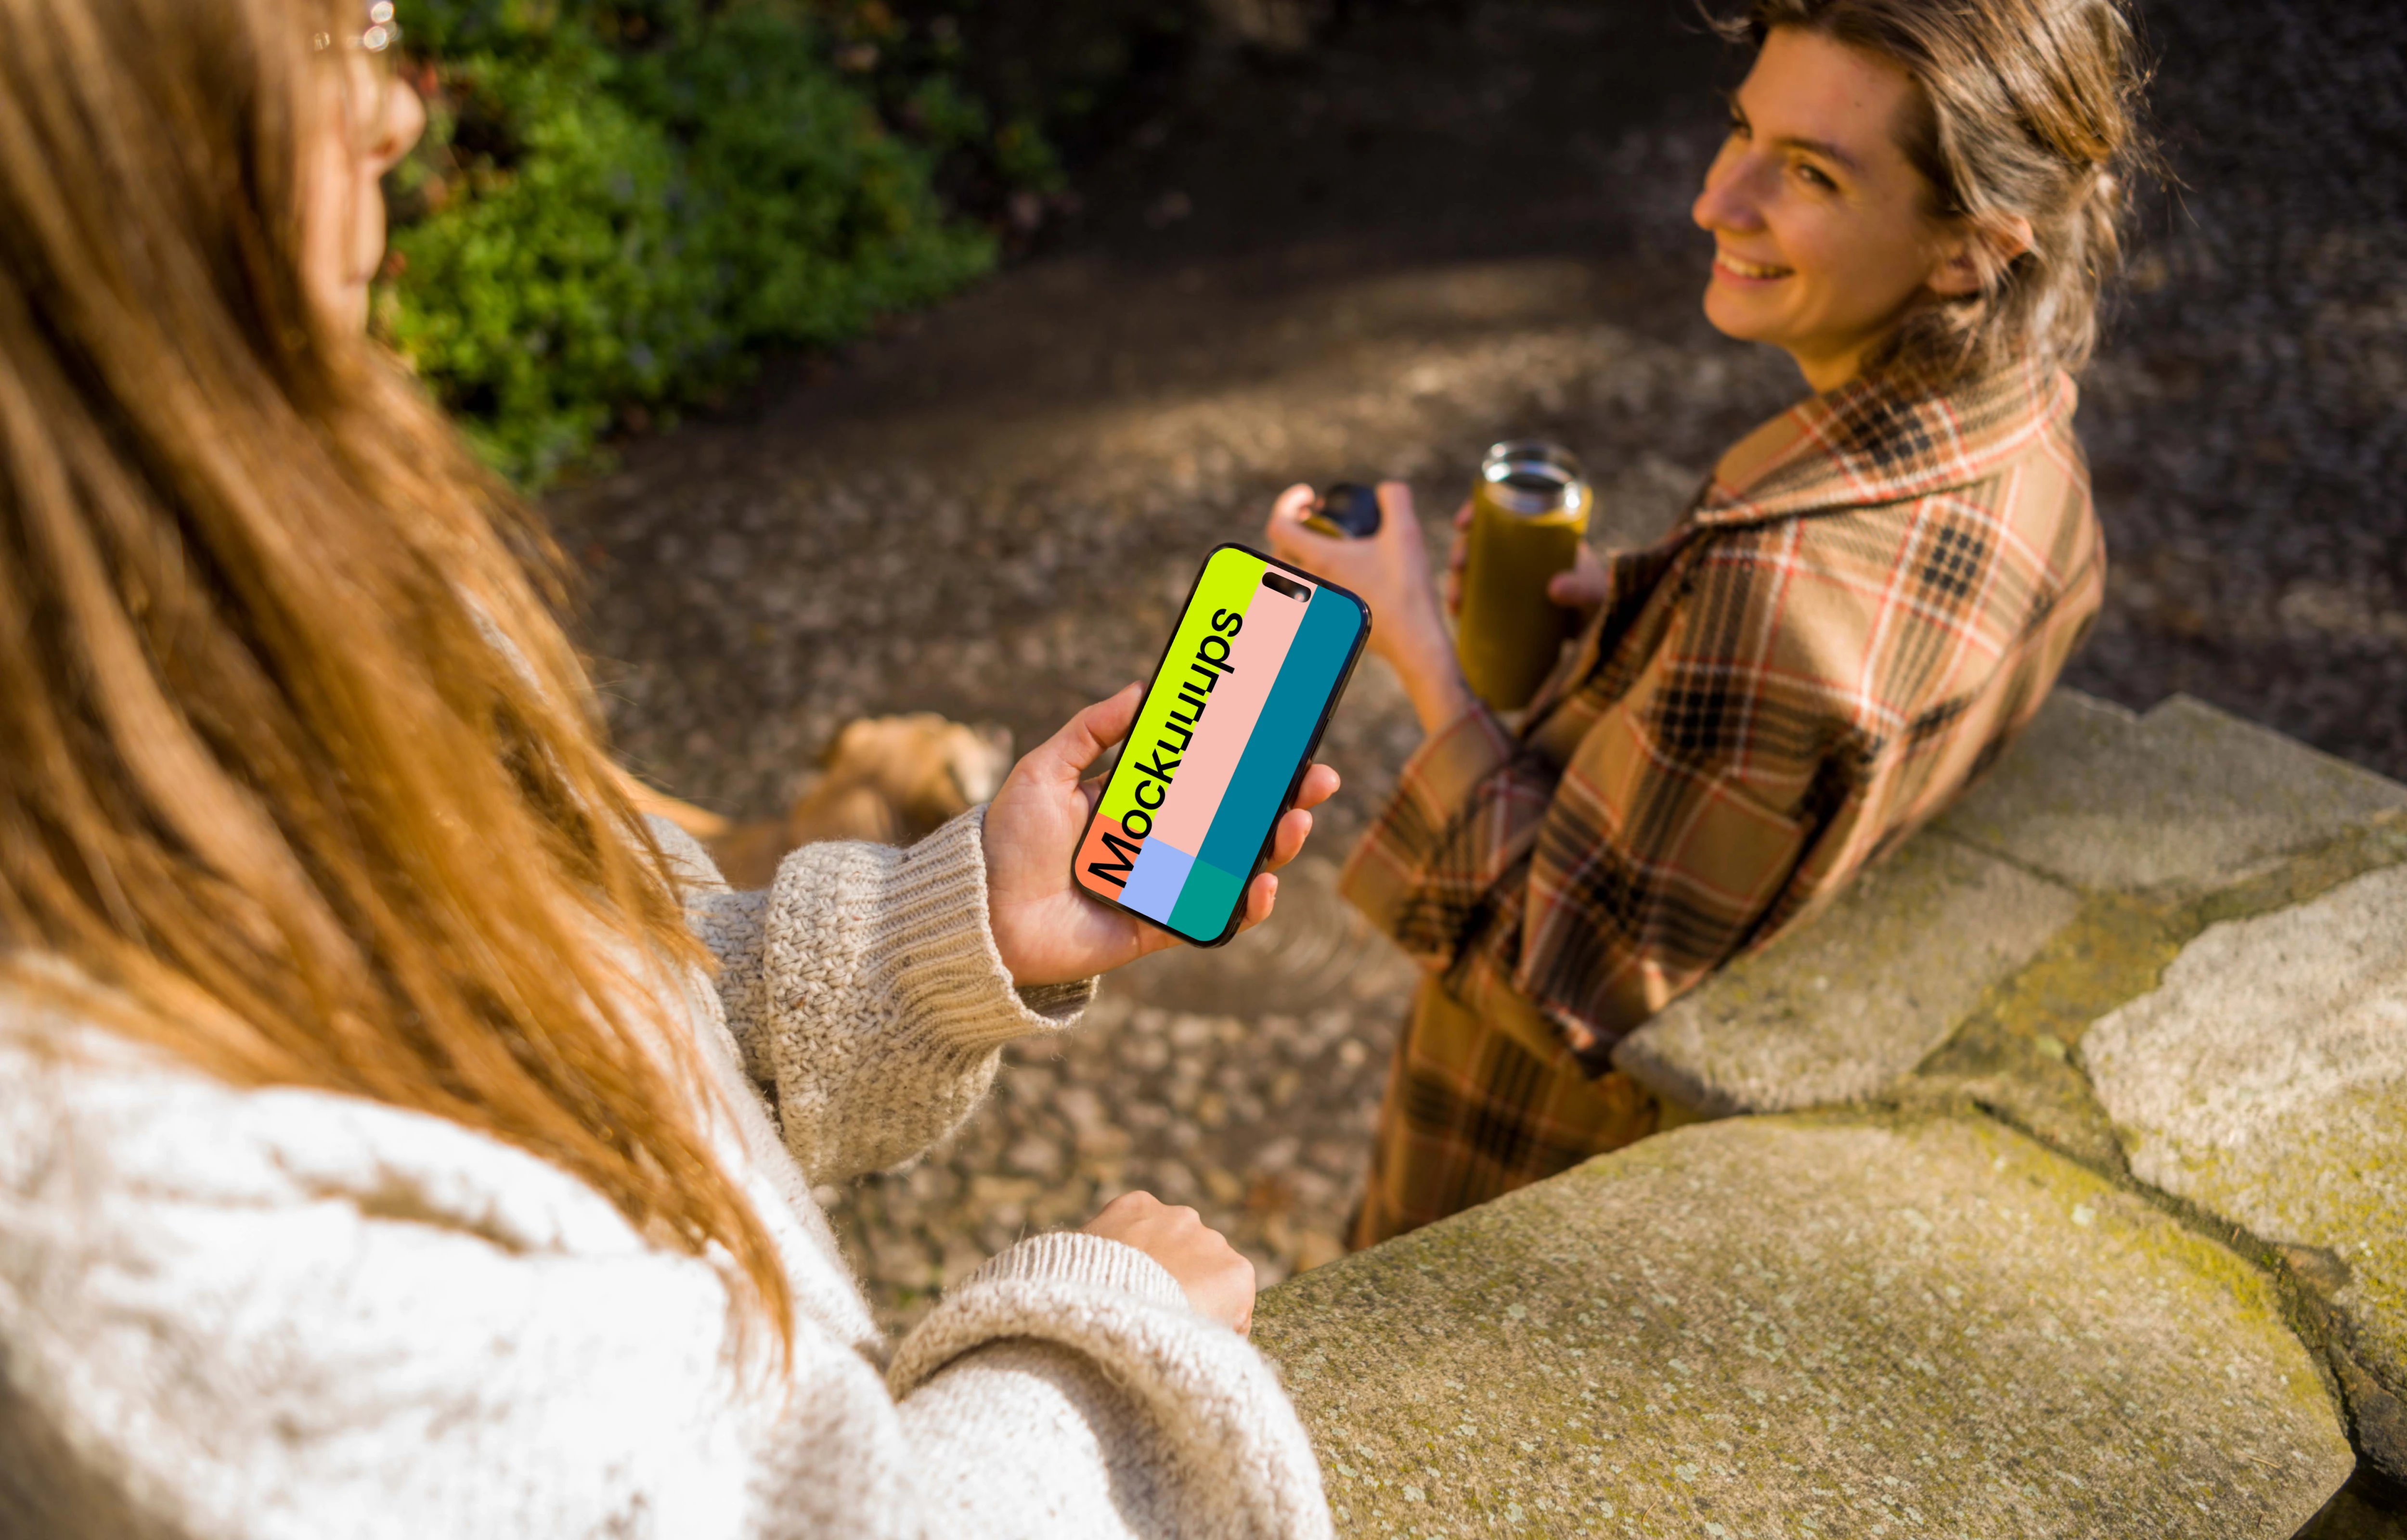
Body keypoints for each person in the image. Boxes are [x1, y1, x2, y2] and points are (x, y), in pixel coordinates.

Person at [0, 1, 1340, 1534]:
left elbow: (564, 1015)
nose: (397, 115)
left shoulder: (255, 611)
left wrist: (952, 932)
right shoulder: (103, 1197)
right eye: (311, 42)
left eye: (371, 21)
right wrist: (1110, 1359)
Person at [1269, 0, 2143, 1246]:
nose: (1715, 202)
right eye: (1744, 129)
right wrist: (1642, 610)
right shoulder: (2033, 453)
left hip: (1528, 1194)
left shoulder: (1777, 594)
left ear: (1968, 250)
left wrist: (1416, 643)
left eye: (1809, 173)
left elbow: (1556, 977)